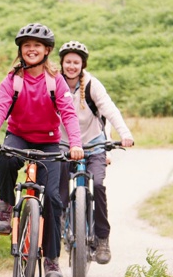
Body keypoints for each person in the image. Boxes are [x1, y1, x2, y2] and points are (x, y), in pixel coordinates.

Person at [0, 23, 84, 277]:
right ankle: (6, 205)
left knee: (52, 198)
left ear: (47, 50)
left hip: (49, 143)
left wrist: (75, 143)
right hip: (18, 137)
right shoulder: (13, 79)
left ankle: (51, 260)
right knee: (5, 158)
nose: (31, 49)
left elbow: (68, 113)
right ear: (21, 50)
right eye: (26, 45)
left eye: (37, 46)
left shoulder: (55, 81)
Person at [57, 40, 134, 265]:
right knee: (58, 184)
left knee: (98, 185)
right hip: (64, 144)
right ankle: (60, 221)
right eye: (68, 62)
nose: (72, 66)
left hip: (93, 143)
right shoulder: (54, 83)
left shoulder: (92, 85)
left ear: (83, 64)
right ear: (61, 63)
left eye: (76, 62)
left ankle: (102, 238)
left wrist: (125, 133)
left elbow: (110, 110)